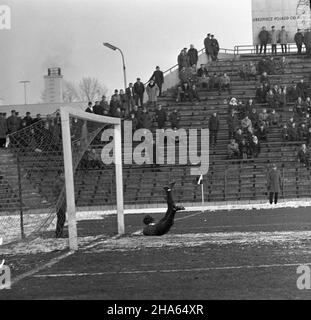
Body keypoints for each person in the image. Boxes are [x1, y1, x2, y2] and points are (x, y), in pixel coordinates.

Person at [53, 170, 66, 238]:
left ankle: (59, 233)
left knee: (61, 218)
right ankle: (58, 233)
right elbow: (62, 191)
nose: (64, 176)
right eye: (63, 175)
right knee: (61, 218)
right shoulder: (59, 182)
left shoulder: (61, 182)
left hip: (62, 203)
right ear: (60, 175)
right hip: (59, 203)